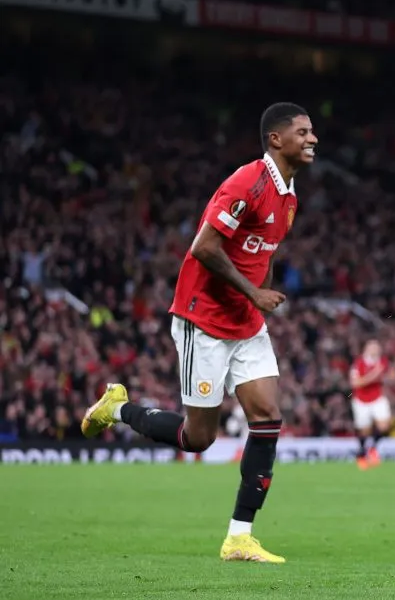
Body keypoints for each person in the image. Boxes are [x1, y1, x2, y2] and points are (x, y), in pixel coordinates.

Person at [80, 102, 317, 563]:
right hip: (202, 320)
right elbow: (204, 247)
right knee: (198, 438)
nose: (312, 139)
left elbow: (262, 255)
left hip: (246, 324)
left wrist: (256, 298)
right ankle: (118, 407)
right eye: (303, 132)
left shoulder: (289, 199)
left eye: (313, 132)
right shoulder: (246, 183)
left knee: (268, 417)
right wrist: (254, 292)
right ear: (276, 139)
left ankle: (239, 537)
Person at [349, 339, 394, 469]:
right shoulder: (359, 363)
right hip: (361, 400)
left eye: (377, 346)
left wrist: (389, 377)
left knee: (385, 425)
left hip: (377, 398)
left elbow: (391, 376)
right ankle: (362, 453)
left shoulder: (383, 362)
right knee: (364, 430)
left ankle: (372, 447)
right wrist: (374, 375)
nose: (375, 349)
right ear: (366, 349)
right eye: (372, 346)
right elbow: (355, 383)